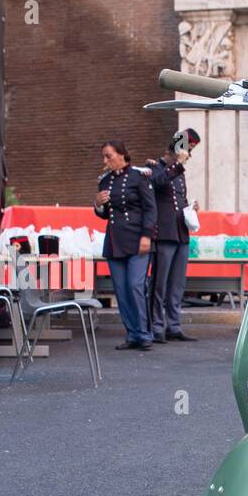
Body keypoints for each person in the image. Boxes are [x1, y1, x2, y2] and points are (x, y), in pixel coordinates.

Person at [94, 140, 157, 351]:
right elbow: (105, 215)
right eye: (104, 156)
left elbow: (150, 209)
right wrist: (98, 205)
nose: (105, 160)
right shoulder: (104, 181)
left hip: (138, 241)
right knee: (121, 291)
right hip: (114, 241)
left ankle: (144, 334)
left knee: (135, 286)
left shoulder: (138, 177)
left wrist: (147, 236)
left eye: (108, 156)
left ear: (122, 155)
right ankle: (132, 334)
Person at [142, 129, 201, 343]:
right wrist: (178, 164)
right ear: (177, 147)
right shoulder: (152, 168)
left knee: (177, 285)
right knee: (159, 284)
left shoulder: (179, 171)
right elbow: (157, 183)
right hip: (164, 233)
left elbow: (177, 200)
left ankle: (173, 325)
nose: (190, 154)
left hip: (181, 233)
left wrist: (191, 208)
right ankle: (156, 326)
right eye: (188, 149)